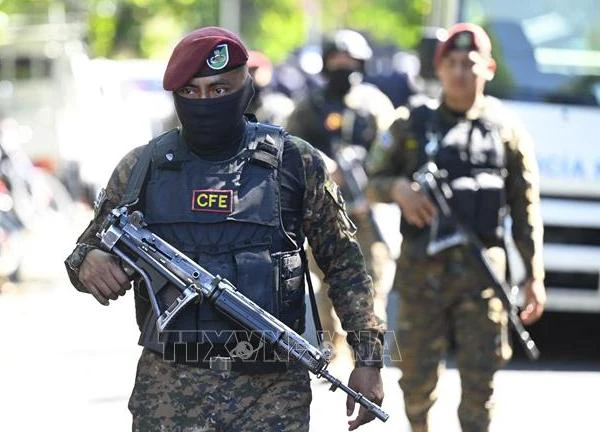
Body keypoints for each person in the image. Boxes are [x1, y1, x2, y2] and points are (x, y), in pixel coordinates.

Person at [64, 26, 384, 432]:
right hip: (170, 388)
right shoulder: (142, 167)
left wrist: (369, 360)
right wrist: (90, 261)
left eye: (219, 89)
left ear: (246, 87)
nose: (205, 101)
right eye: (191, 92)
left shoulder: (294, 163)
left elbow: (345, 265)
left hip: (272, 392)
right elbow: (83, 252)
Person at [366, 23, 546, 432]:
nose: (461, 71)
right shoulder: (411, 123)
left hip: (482, 280)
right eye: (452, 63)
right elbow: (371, 182)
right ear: (439, 68)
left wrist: (533, 275)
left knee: (480, 384)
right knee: (415, 380)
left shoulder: (507, 131)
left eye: (470, 63)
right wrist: (398, 188)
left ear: (489, 68)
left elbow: (525, 208)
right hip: (420, 277)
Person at [286, 29, 395, 366]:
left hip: (365, 213)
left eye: (349, 61)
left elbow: (392, 155)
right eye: (336, 60)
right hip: (323, 213)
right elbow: (288, 150)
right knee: (323, 285)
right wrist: (319, 166)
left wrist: (372, 191)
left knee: (372, 288)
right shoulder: (309, 106)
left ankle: (368, 360)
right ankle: (331, 355)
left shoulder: (375, 105)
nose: (343, 66)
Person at [246, 49, 295, 126]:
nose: (252, 75)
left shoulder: (279, 100)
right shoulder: (244, 97)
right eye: (249, 71)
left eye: (255, 70)